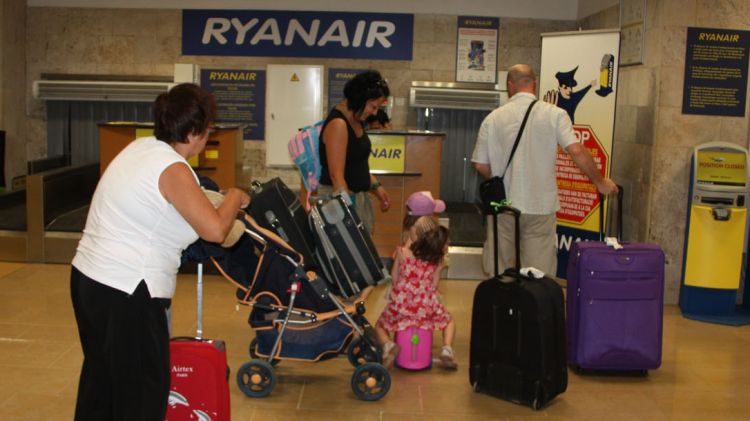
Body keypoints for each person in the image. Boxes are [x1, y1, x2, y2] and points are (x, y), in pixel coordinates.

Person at [69, 83, 250, 420]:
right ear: (194, 131)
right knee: (141, 391)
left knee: (102, 381)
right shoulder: (173, 169)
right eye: (209, 127)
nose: (210, 134)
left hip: (88, 278)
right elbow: (214, 230)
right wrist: (236, 197)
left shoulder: (140, 149)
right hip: (126, 289)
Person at [472, 64, 617, 276]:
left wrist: (503, 181)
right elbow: (576, 150)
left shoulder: (492, 119)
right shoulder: (555, 114)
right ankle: (532, 308)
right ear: (534, 84)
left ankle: (503, 307)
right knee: (537, 275)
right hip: (540, 206)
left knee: (499, 268)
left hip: (503, 205)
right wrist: (600, 182)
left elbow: (480, 165)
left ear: (509, 86)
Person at [375, 224, 457, 370]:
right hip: (425, 309)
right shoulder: (437, 261)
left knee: (380, 325)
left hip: (402, 307)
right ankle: (446, 348)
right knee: (449, 321)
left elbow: (394, 278)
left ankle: (388, 345)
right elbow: (434, 284)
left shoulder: (401, 252)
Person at [318, 70, 391, 233]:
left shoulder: (356, 121)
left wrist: (376, 186)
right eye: (373, 106)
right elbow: (336, 177)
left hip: (356, 200)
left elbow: (357, 163)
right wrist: (348, 216)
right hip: (340, 203)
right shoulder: (338, 124)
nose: (374, 112)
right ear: (361, 99)